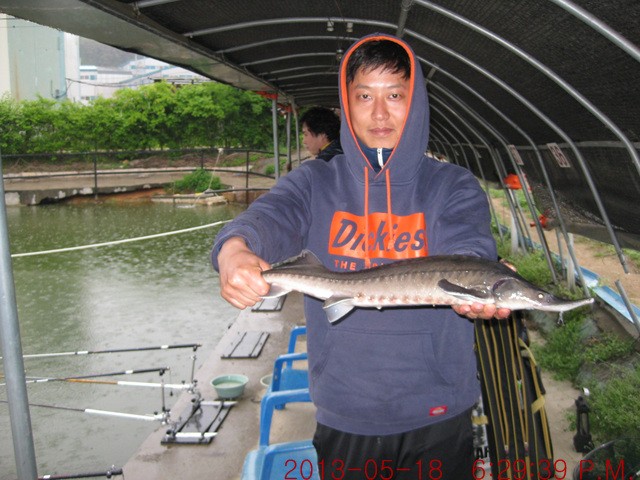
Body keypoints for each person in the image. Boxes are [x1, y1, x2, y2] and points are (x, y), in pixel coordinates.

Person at [212, 33, 510, 479]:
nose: (380, 113)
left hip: (440, 410)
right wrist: (234, 250)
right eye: (365, 96)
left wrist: (477, 283)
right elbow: (268, 217)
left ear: (416, 102)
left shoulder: (453, 185)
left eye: (395, 95)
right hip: (346, 411)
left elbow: (469, 247)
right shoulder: (314, 182)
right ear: (346, 106)